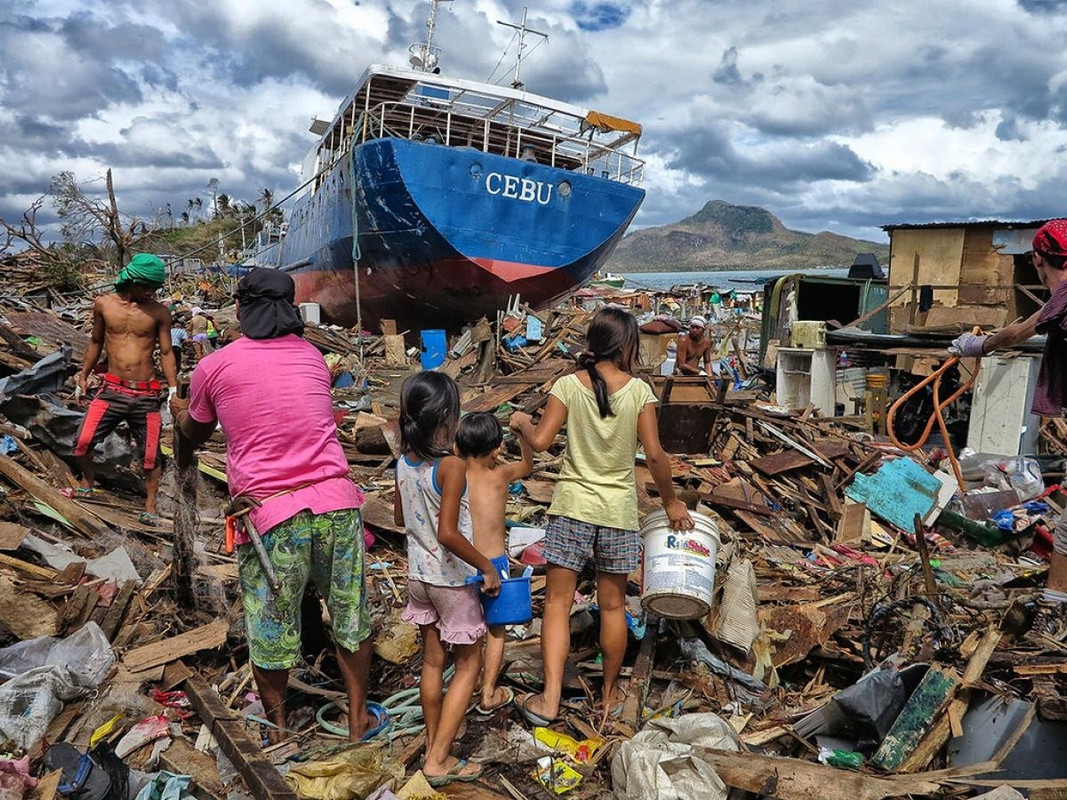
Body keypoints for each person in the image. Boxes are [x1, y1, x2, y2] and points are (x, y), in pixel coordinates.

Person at [169, 268, 382, 743]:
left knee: (270, 625)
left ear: (242, 310)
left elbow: (197, 432)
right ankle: (356, 722)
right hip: (337, 506)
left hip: (272, 515)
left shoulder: (215, 366)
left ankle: (279, 733)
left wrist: (179, 417)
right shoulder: (312, 357)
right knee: (350, 616)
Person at [508, 306, 694, 725]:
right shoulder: (639, 393)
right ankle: (609, 698)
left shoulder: (568, 386)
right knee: (612, 607)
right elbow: (657, 457)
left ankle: (550, 699)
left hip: (572, 506)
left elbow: (539, 442)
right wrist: (671, 503)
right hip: (617, 512)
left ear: (594, 342)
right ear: (627, 344)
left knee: (556, 605)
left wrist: (521, 422)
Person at [950, 219, 1067, 640]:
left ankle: (1054, 611)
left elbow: (1019, 330)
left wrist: (977, 345)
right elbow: (1024, 326)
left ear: (1037, 259)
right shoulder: (1061, 301)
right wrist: (982, 344)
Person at [393, 372, 501, 787]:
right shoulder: (451, 466)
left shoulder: (404, 462)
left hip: (418, 577)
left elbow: (403, 518)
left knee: (433, 663)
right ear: (445, 419)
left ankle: (435, 741)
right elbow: (449, 533)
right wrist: (486, 567)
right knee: (469, 664)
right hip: (450, 581)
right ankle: (438, 759)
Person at [73, 253, 177, 522]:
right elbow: (96, 342)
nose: (151, 292)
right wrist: (83, 375)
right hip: (112, 390)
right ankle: (87, 480)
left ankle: (150, 506)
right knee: (83, 442)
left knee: (150, 456)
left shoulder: (159, 312)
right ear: (132, 281)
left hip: (146, 393)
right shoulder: (104, 305)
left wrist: (174, 389)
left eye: (154, 288)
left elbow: (166, 352)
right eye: (147, 286)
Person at [454, 411, 534, 715]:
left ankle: (468, 680)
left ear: (458, 446)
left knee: (466, 628)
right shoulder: (499, 476)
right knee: (496, 631)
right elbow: (528, 465)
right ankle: (488, 692)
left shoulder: (454, 476)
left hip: (462, 563)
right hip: (494, 564)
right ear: (497, 449)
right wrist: (522, 435)